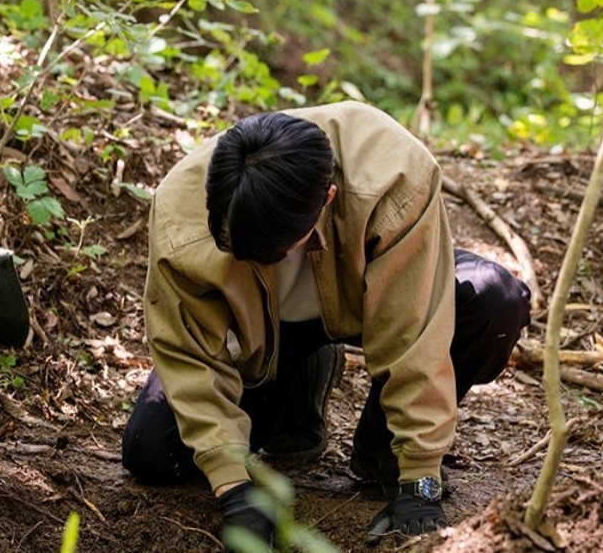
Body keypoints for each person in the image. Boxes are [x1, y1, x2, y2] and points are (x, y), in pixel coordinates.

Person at [121, 102, 531, 547]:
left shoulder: (393, 176)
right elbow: (187, 351)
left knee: (494, 300)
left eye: (270, 251)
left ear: (328, 200)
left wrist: (421, 480)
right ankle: (301, 386)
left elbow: (415, 332)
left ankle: (382, 452)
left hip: (370, 300)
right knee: (152, 452)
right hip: (266, 333)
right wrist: (233, 487)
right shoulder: (181, 212)